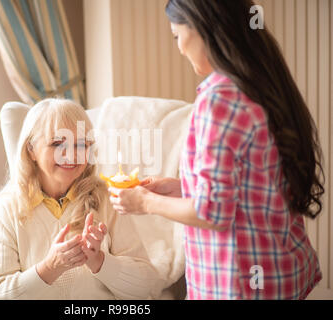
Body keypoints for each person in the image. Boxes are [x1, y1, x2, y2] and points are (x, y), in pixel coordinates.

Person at [109, 0, 324, 300]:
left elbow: (212, 212)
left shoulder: (219, 99)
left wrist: (144, 202)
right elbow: (251, 184)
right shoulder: (262, 83)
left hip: (239, 285)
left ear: (203, 27)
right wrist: (183, 187)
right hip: (283, 270)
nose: (180, 48)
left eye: (176, 35)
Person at [0, 98, 159, 300]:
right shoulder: (7, 208)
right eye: (57, 143)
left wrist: (100, 262)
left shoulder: (107, 200)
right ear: (31, 150)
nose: (72, 154)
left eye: (81, 144)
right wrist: (48, 268)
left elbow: (147, 288)